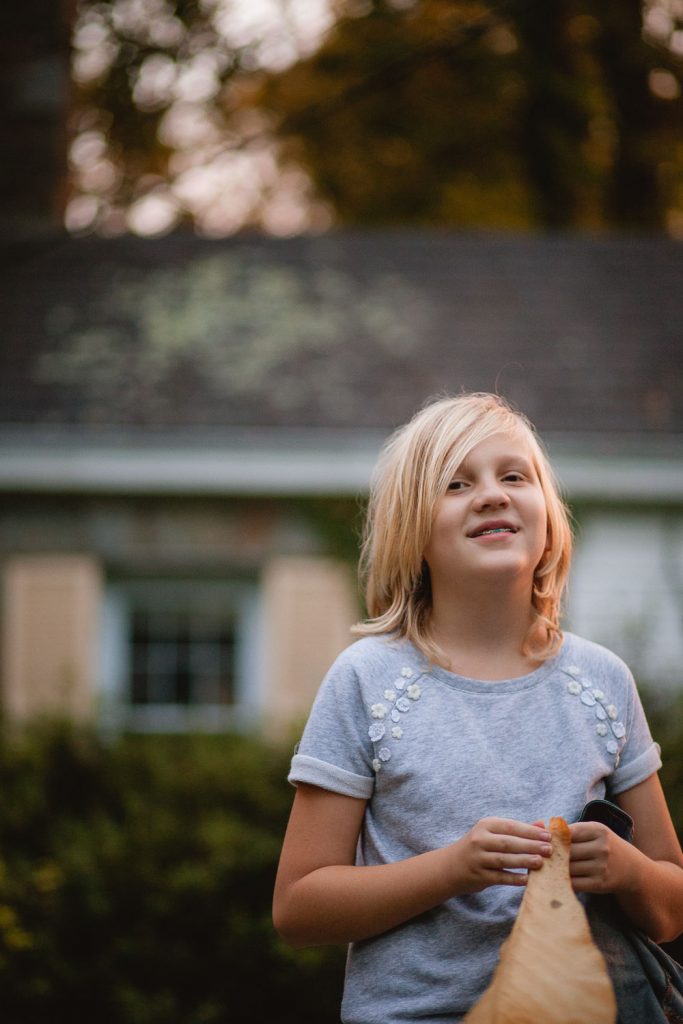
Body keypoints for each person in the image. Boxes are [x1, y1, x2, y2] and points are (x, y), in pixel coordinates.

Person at [272, 392, 683, 1023]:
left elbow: (671, 904)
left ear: (548, 513)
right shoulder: (368, 679)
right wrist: (453, 869)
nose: (492, 494)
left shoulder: (603, 680)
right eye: (456, 484)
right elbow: (299, 907)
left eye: (513, 476)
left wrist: (628, 871)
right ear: (413, 531)